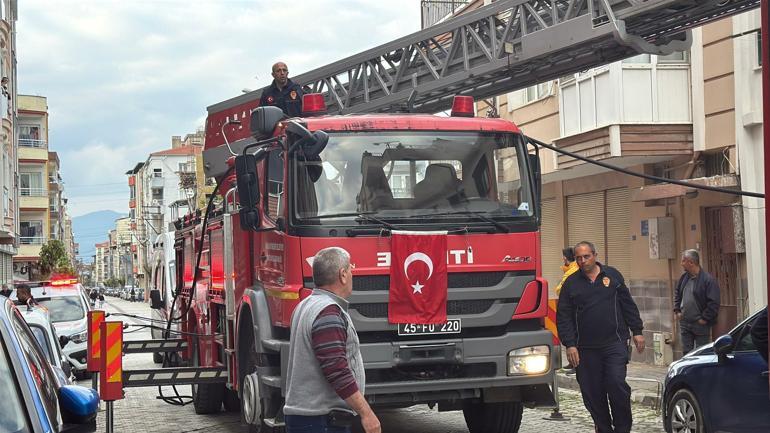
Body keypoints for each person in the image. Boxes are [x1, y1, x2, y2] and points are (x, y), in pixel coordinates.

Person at [284, 247, 380, 433]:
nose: (353, 274)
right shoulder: (328, 312)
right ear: (342, 275)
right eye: (351, 269)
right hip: (322, 422)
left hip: (308, 418)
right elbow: (336, 370)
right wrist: (366, 413)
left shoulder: (305, 305)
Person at [556, 241, 645, 433]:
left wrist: (637, 331)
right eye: (578, 258)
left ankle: (622, 427)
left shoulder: (612, 276)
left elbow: (627, 304)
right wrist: (570, 345)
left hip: (614, 343)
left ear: (595, 255)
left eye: (586, 256)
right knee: (592, 392)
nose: (582, 261)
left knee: (616, 384)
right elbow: (563, 316)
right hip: (585, 349)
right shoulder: (571, 283)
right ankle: (604, 428)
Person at [673, 249, 720, 354]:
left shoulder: (708, 280)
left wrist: (704, 318)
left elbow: (714, 302)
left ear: (691, 262)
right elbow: (677, 293)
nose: (681, 264)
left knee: (701, 353)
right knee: (686, 352)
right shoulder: (684, 278)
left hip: (700, 324)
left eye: (683, 261)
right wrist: (677, 310)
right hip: (685, 322)